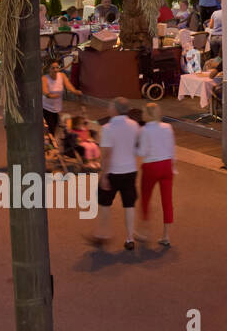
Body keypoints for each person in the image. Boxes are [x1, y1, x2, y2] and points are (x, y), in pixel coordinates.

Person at [91, 99, 142, 250]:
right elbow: (137, 146)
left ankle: (104, 233)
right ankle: (130, 238)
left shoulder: (107, 128)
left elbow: (106, 154)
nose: (109, 108)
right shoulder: (135, 126)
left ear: (115, 110)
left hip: (113, 171)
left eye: (110, 106)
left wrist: (104, 175)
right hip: (130, 170)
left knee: (104, 203)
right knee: (129, 204)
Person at [138, 103, 176, 246]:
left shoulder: (144, 130)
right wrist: (173, 166)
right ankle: (166, 235)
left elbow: (142, 152)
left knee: (146, 198)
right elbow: (172, 148)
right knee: (167, 201)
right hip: (167, 165)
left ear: (147, 114)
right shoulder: (168, 128)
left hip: (151, 165)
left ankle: (145, 230)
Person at [41, 59, 81, 139]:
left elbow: (69, 86)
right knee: (51, 129)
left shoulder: (62, 76)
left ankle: (51, 142)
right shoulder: (44, 78)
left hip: (57, 109)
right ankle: (51, 145)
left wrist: (75, 91)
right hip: (46, 108)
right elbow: (45, 92)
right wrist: (52, 96)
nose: (56, 70)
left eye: (57, 67)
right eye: (53, 68)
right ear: (49, 69)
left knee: (55, 128)